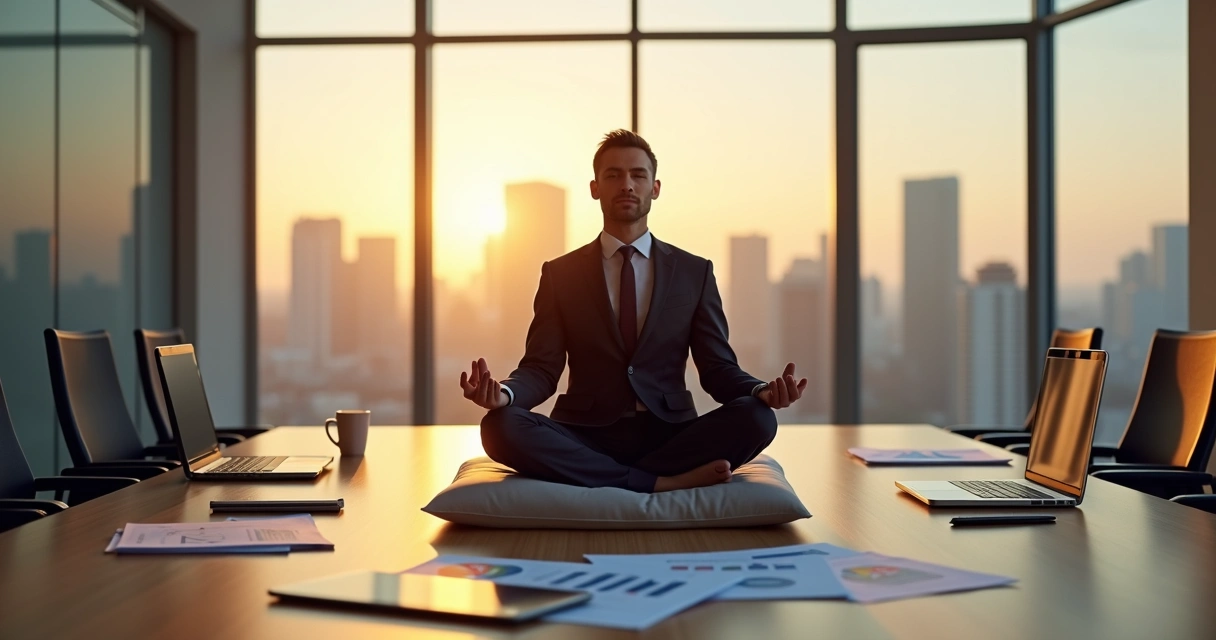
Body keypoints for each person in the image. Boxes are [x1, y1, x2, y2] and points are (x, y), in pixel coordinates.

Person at [459, 129, 808, 493]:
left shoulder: (694, 272)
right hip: (585, 433)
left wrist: (760, 391)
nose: (626, 185)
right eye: (613, 175)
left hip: (671, 435)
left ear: (655, 188)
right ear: (595, 188)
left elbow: (717, 369)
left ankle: (613, 476)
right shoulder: (560, 274)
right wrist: (505, 394)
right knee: (499, 426)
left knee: (758, 419)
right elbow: (541, 369)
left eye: (638, 175)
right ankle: (659, 482)